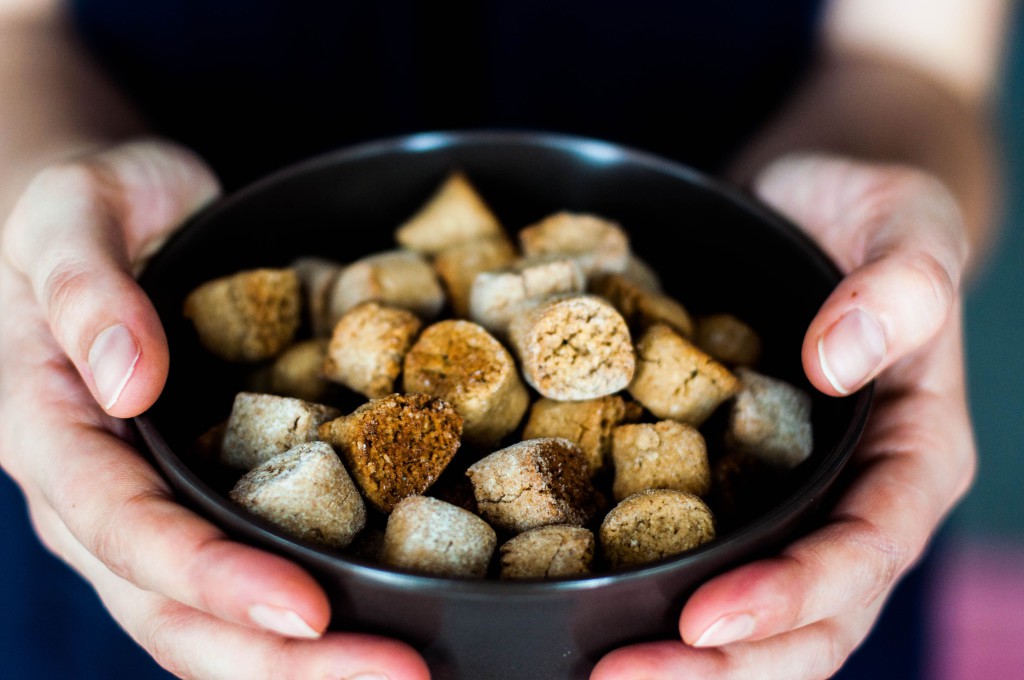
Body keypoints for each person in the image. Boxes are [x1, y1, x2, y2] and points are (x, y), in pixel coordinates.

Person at [0, 0, 1009, 678]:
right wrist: (45, 209)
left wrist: (880, 230)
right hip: (139, 545)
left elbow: (905, 66)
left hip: (755, 601)